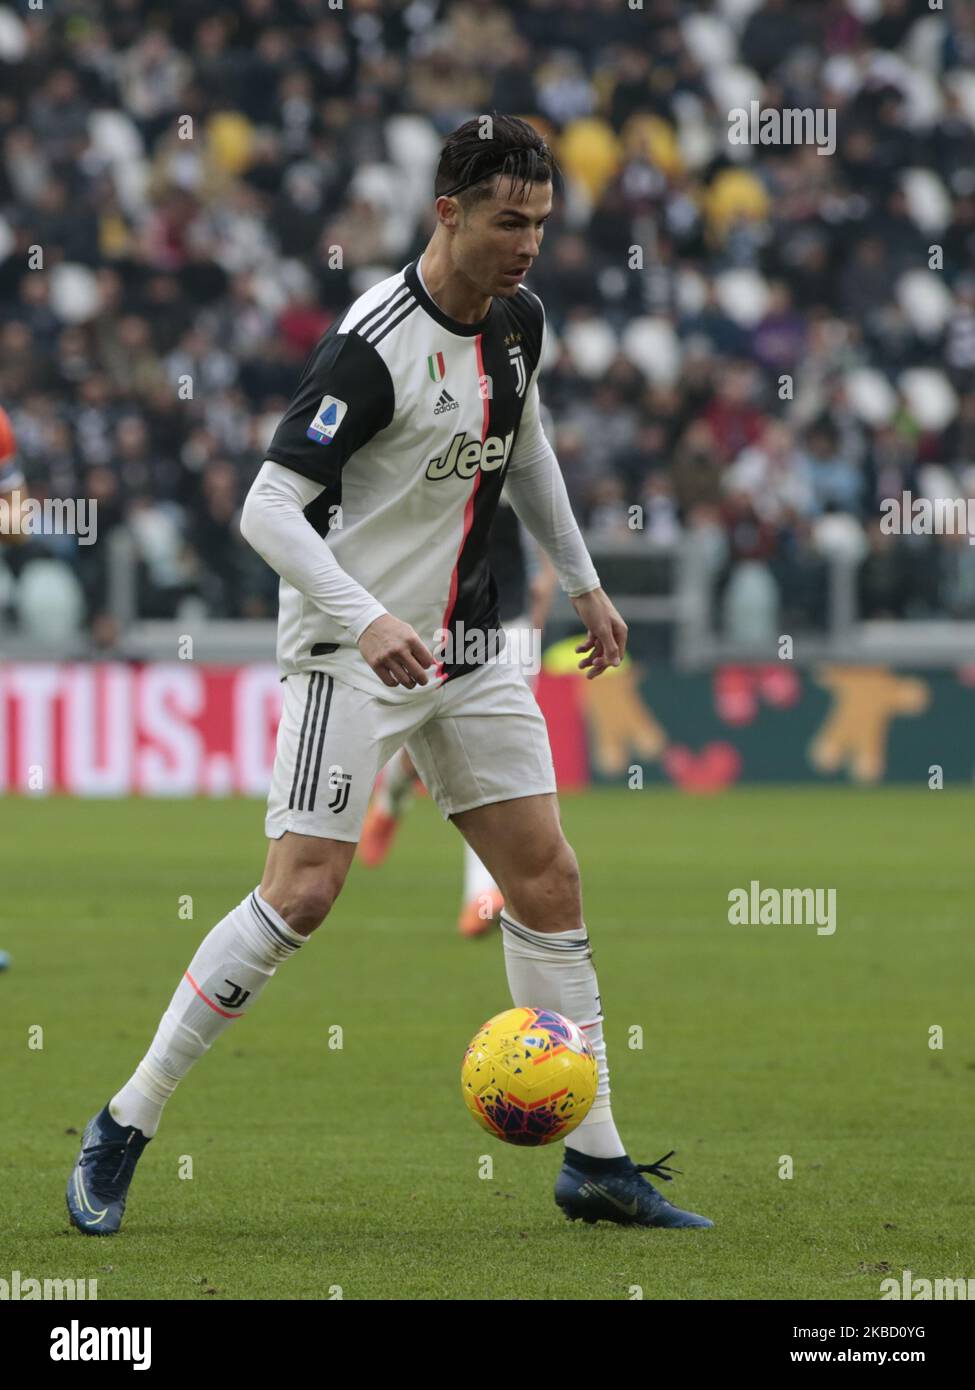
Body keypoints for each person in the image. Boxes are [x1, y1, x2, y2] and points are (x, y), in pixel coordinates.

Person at [67, 115, 712, 1235]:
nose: (527, 245)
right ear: (447, 212)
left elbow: (530, 439)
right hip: (346, 649)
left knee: (547, 880)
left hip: (464, 644)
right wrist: (362, 621)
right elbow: (265, 505)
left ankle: (595, 1162)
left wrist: (588, 579)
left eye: (542, 224)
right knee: (304, 891)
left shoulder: (520, 320)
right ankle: (125, 1121)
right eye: (508, 222)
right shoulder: (370, 346)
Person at [358, 492, 558, 938]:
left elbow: (544, 510)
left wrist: (547, 585)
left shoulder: (521, 426)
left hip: (513, 623)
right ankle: (391, 795)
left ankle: (480, 896)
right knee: (422, 743)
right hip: (449, 618)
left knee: (493, 762)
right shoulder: (442, 442)